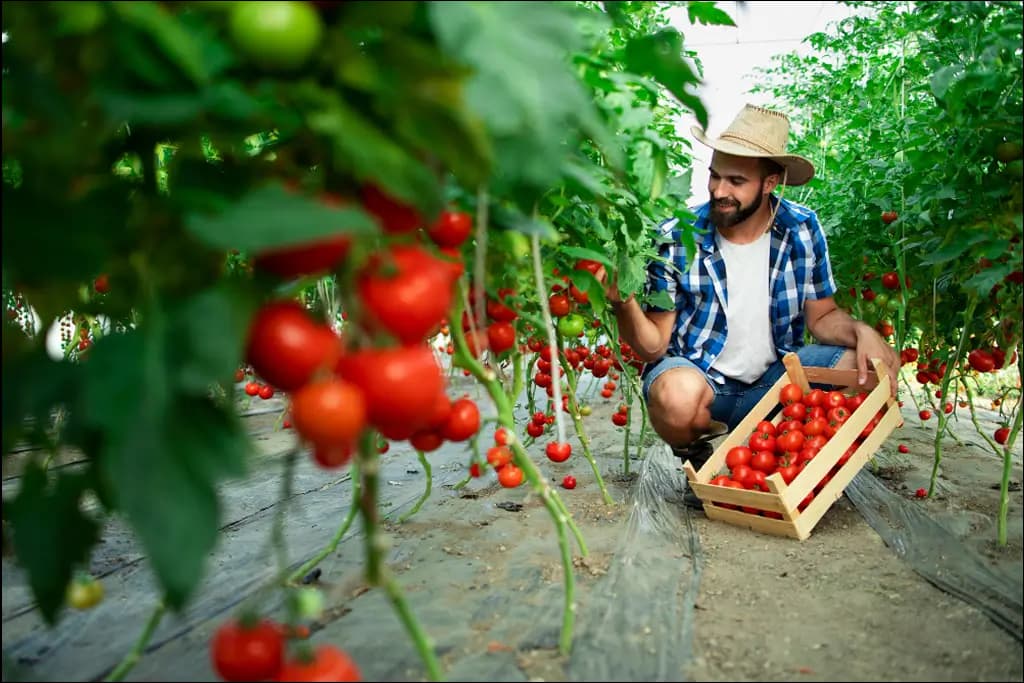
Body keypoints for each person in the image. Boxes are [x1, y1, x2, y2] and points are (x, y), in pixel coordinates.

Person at [601, 104, 899, 501]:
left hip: (777, 388)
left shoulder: (801, 228)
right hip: (707, 389)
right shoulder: (676, 235)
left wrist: (864, 332)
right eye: (715, 176)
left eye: (736, 181)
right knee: (674, 394)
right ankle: (702, 458)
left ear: (770, 182)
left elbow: (822, 316)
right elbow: (654, 346)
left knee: (864, 368)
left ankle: (781, 460)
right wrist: (624, 304)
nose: (719, 190)